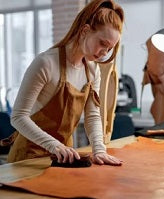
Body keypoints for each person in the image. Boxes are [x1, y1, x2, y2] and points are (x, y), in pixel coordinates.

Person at [6, 0, 124, 165]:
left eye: (109, 49)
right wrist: (54, 145)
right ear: (85, 30)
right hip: (28, 157)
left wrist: (99, 149)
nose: (104, 53)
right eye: (102, 44)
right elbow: (18, 117)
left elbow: (92, 115)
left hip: (64, 157)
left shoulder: (92, 70)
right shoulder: (46, 63)